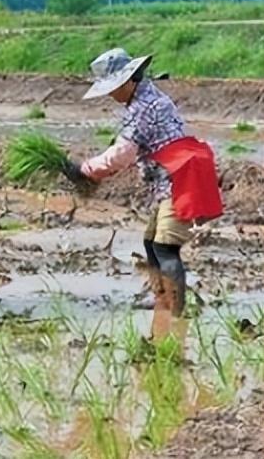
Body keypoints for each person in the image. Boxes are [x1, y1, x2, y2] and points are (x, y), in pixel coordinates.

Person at [62, 48, 222, 321]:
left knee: (165, 248)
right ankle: (162, 297)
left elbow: (121, 154)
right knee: (150, 242)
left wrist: (84, 169)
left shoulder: (142, 108)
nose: (111, 96)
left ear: (127, 81)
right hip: (168, 178)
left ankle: (176, 313)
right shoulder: (147, 96)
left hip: (179, 179)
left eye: (112, 89)